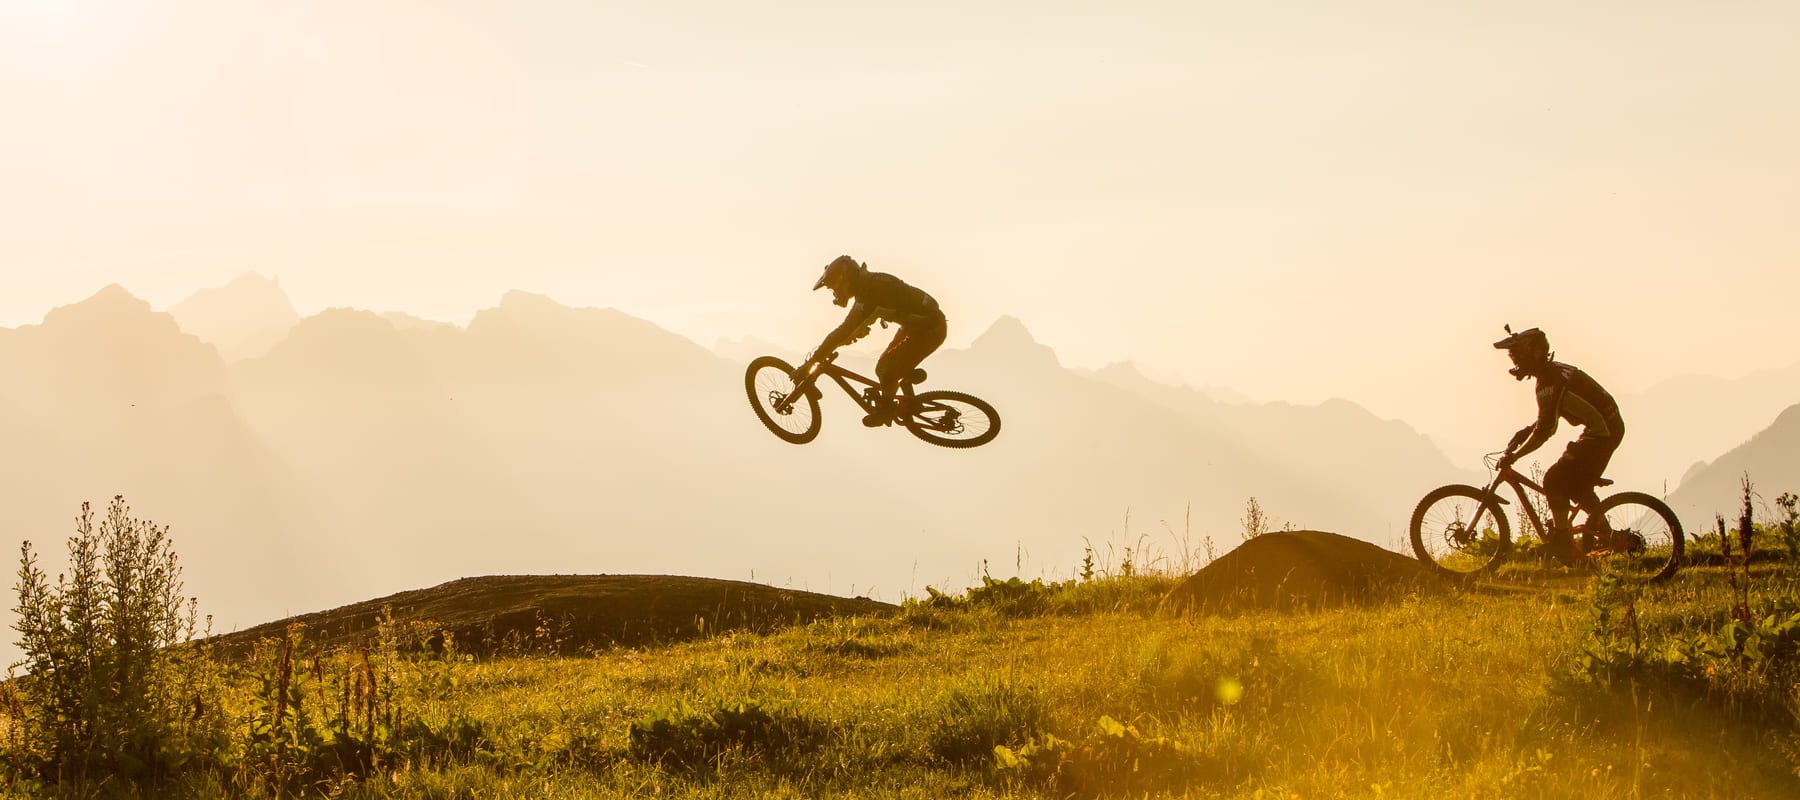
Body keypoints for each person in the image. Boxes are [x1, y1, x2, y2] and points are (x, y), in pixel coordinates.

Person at [1492, 326, 1627, 564]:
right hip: (1607, 428)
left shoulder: (1549, 383)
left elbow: (1545, 430)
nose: (1514, 361)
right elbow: (1547, 418)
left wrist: (1516, 456)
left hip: (1602, 432)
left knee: (1553, 479)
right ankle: (1607, 536)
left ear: (1531, 355)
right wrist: (1520, 435)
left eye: (1517, 356)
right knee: (1576, 486)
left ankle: (1562, 540)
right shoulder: (1553, 374)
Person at [808, 255, 947, 426]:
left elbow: (844, 331)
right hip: (919, 325)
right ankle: (908, 379)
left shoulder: (868, 295)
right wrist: (835, 344)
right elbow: (851, 331)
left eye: (833, 288)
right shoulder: (868, 285)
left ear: (843, 281)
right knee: (884, 366)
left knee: (885, 369)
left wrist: (817, 356)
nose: (835, 293)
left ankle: (886, 413)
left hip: (929, 330)